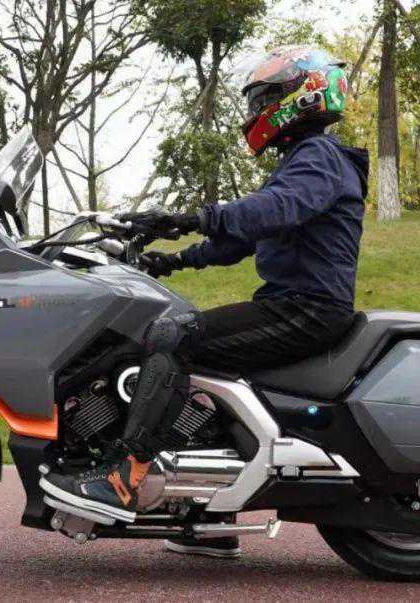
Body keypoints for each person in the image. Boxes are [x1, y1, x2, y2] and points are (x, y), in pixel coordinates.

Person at [41, 46, 369, 558]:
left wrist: (190, 218)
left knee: (173, 337)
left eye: (265, 98)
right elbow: (240, 239)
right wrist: (168, 261)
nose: (257, 110)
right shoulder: (304, 161)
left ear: (301, 96)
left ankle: (124, 477)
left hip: (306, 309)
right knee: (192, 349)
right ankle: (209, 515)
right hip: (296, 304)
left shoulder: (320, 158)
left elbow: (270, 210)